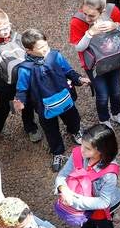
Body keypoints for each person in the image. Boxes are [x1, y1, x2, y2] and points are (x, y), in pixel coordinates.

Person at [13, 29, 89, 172]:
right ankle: (57, 152)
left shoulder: (55, 55)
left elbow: (68, 71)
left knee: (73, 118)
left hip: (64, 98)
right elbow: (22, 89)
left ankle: (75, 131)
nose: (46, 50)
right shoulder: (25, 69)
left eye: (46, 45)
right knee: (50, 130)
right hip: (44, 105)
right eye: (41, 48)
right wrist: (20, 101)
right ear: (29, 51)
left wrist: (79, 79)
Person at [55, 123, 120, 228]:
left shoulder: (109, 172)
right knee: (86, 227)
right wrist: (62, 189)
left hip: (100, 207)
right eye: (82, 145)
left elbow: (104, 201)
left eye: (87, 148)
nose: (81, 150)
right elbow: (62, 175)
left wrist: (73, 200)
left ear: (100, 150)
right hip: (82, 203)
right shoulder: (79, 154)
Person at [69, 0, 120, 131]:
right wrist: (89, 33)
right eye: (84, 12)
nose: (87, 18)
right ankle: (104, 119)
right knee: (102, 94)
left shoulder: (112, 10)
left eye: (91, 16)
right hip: (93, 64)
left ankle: (117, 114)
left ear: (103, 11)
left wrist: (115, 25)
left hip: (114, 57)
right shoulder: (77, 21)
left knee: (116, 90)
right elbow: (78, 47)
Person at [0, 8, 39, 143]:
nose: (6, 31)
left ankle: (30, 127)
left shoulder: (17, 37)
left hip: (22, 81)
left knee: (27, 104)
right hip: (2, 86)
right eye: (1, 29)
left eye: (7, 26)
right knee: (1, 108)